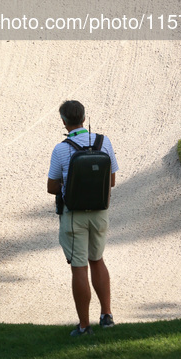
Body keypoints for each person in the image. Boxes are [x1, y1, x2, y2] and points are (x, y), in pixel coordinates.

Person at [47, 99, 119, 336]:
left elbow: (52, 186)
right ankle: (107, 316)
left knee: (79, 268)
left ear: (64, 121)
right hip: (99, 212)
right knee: (97, 260)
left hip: (74, 215)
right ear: (84, 118)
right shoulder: (103, 141)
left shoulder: (61, 149)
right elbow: (111, 181)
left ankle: (84, 326)